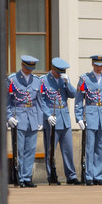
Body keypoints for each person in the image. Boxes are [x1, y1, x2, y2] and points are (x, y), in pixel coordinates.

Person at [74, 55, 102, 186]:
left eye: (101, 65)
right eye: (96, 65)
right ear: (92, 64)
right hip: (90, 114)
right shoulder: (84, 79)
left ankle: (98, 176)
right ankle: (89, 176)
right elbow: (79, 99)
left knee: (101, 148)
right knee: (90, 147)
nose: (98, 68)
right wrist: (79, 117)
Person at [40, 57, 79, 185]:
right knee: (50, 150)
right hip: (52, 119)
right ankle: (51, 175)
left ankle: (71, 176)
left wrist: (68, 83)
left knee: (68, 150)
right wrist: (47, 115)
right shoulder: (44, 80)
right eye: (59, 72)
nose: (61, 74)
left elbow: (73, 95)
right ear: (52, 69)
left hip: (64, 118)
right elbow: (41, 101)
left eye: (63, 72)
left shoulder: (64, 80)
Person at [6, 55, 44, 187]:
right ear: (22, 65)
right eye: (27, 68)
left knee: (30, 149)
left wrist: (40, 120)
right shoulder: (12, 79)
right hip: (19, 117)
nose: (29, 71)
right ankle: (20, 177)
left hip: (32, 117)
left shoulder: (37, 80)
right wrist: (9, 116)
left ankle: (27, 177)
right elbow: (6, 101)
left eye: (31, 68)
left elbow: (39, 102)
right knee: (20, 149)